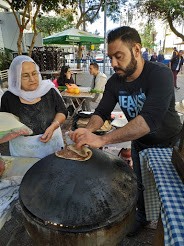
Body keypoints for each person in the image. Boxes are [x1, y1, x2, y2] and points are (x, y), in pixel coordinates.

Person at [69, 26, 182, 236]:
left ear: (137, 50)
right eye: (110, 57)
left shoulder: (160, 75)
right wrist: (88, 131)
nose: (112, 64)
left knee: (170, 194)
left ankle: (165, 229)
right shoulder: (114, 82)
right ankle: (142, 218)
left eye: (118, 56)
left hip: (169, 142)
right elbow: (101, 111)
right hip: (140, 144)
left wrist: (103, 140)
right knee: (140, 185)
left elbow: (149, 121)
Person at [0, 55, 68, 159]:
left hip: (52, 146)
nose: (32, 79)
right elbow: (4, 123)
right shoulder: (8, 97)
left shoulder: (49, 90)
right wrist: (12, 132)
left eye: (34, 73)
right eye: (25, 76)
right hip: (24, 152)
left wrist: (54, 125)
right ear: (16, 77)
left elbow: (62, 111)